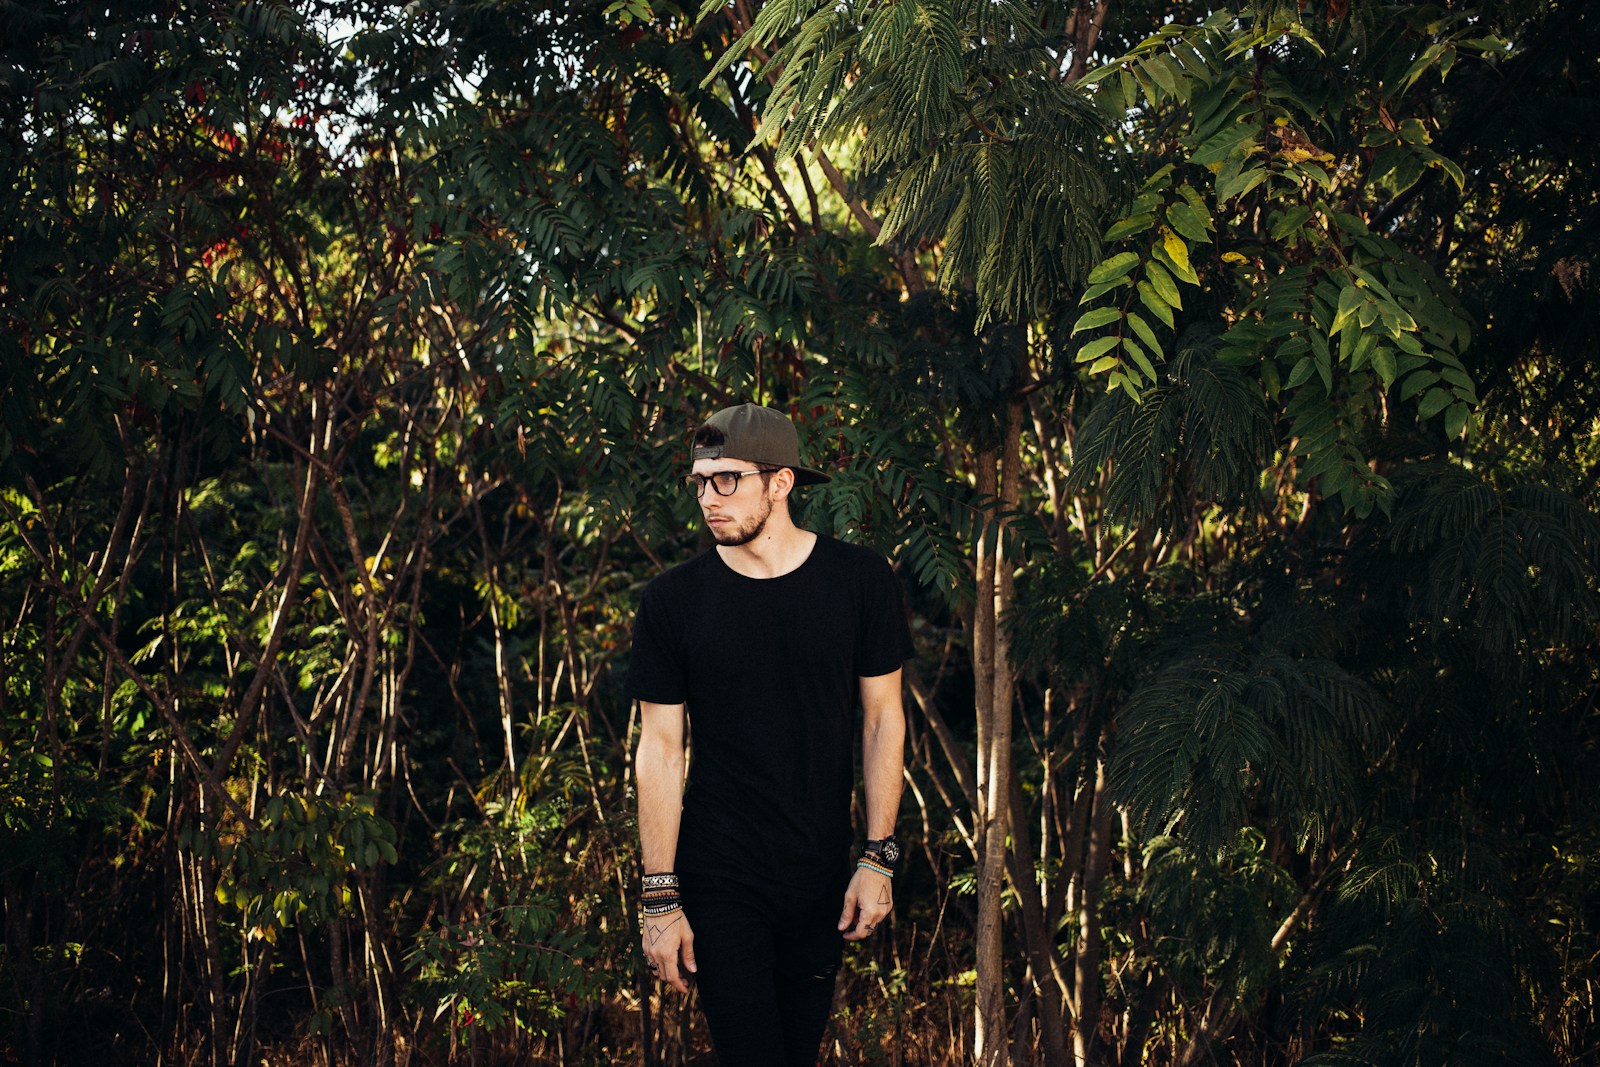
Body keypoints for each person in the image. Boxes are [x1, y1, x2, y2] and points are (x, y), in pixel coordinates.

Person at [628, 403, 912, 1065]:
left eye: (725, 479)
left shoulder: (859, 582)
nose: (706, 497)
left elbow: (882, 720)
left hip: (819, 873)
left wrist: (878, 857)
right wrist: (660, 897)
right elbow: (661, 751)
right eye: (699, 481)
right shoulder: (673, 601)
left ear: (780, 482)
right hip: (720, 873)